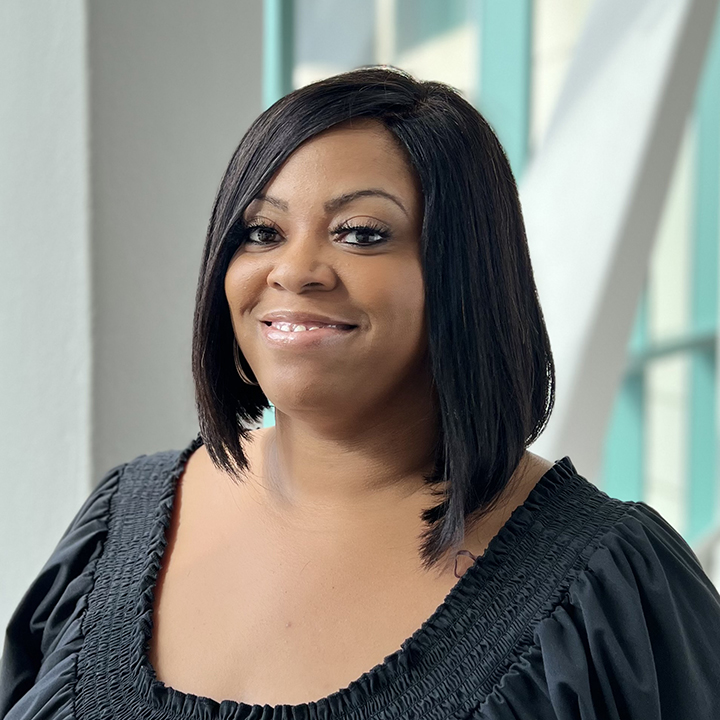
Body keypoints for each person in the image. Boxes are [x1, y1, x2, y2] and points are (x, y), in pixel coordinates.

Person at [1, 65, 719, 720]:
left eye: (362, 233)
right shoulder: (118, 523)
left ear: (464, 275)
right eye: (261, 231)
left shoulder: (610, 588)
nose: (297, 269)